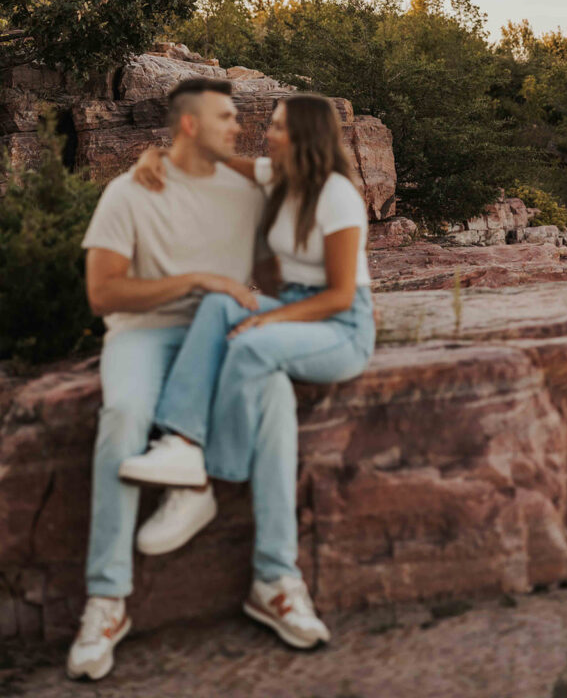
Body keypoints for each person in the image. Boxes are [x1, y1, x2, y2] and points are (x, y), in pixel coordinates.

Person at [118, 93, 376, 651]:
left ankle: (206, 482)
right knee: (220, 308)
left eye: (279, 127)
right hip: (291, 311)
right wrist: (153, 158)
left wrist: (268, 321)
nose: (267, 134)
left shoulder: (337, 196)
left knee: (250, 348)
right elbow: (204, 159)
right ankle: (270, 575)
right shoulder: (274, 176)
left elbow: (336, 296)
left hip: (339, 327)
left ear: (305, 137)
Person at [67, 77, 268, 681]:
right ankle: (106, 603)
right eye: (225, 118)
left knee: (274, 391)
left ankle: (273, 571)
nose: (239, 126)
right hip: (144, 334)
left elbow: (316, 177)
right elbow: (102, 294)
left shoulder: (248, 189)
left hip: (224, 329)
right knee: (123, 418)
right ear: (188, 124)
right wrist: (195, 279)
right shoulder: (130, 192)